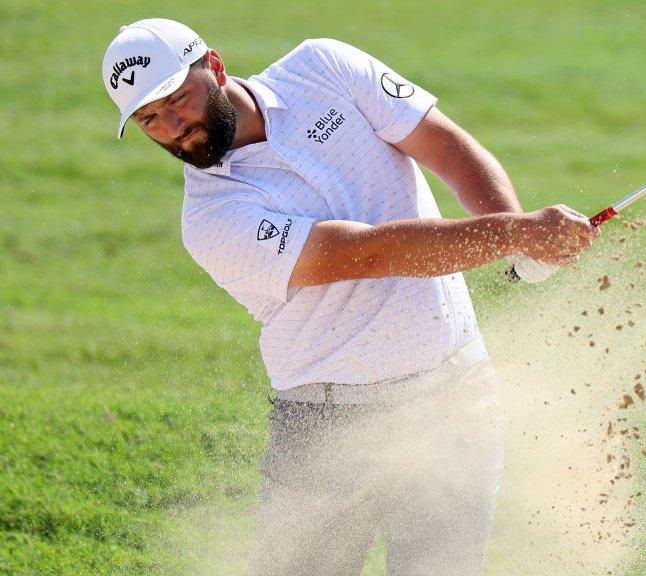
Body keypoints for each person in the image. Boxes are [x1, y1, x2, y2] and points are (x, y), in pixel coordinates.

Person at [101, 18, 598, 576]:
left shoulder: (324, 67)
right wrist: (515, 234)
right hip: (326, 431)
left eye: (178, 99)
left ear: (213, 65)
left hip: (456, 397)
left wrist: (513, 234)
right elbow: (371, 254)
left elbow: (442, 144)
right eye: (150, 119)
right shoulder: (211, 219)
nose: (173, 126)